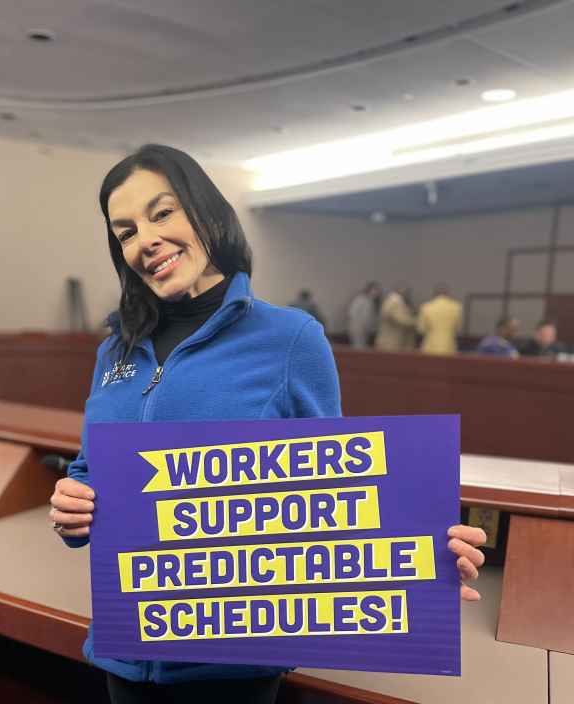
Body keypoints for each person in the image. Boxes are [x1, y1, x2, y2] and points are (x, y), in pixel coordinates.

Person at [48, 144, 486, 704]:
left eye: (162, 213)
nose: (146, 239)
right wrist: (70, 509)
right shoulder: (115, 351)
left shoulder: (291, 339)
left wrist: (426, 553)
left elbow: (338, 492)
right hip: (127, 654)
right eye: (126, 231)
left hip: (234, 667)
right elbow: (88, 473)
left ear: (206, 214)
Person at [417, 284, 462, 355]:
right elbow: (458, 328)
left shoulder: (426, 307)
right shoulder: (456, 307)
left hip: (430, 345)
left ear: (434, 294)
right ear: (448, 294)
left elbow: (421, 329)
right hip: (449, 345)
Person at [375, 284, 416, 352]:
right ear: (401, 291)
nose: (408, 295)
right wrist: (415, 322)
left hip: (390, 339)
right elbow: (401, 320)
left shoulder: (392, 300)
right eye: (406, 292)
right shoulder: (395, 301)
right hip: (390, 341)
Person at [347, 281, 381, 349]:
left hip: (366, 329)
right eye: (375, 290)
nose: (377, 293)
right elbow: (351, 313)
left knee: (363, 347)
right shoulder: (360, 299)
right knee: (358, 346)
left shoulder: (371, 302)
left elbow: (370, 317)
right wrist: (359, 325)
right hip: (357, 328)